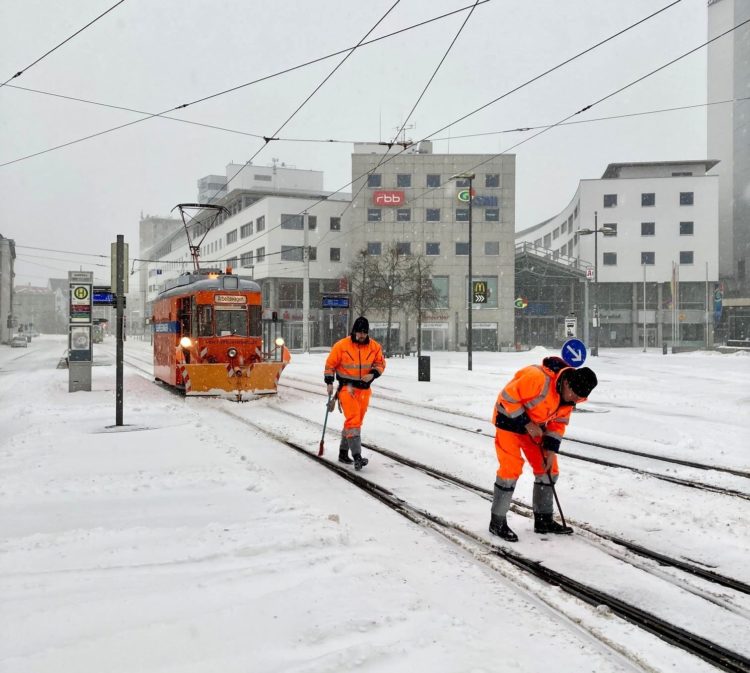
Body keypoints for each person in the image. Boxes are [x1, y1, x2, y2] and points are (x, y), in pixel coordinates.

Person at [489, 356, 598, 542]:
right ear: (566, 382)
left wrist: (550, 450)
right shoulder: (537, 378)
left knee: (549, 470)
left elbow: (558, 424)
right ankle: (497, 522)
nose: (573, 400)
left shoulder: (571, 398)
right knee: (510, 470)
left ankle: (543, 520)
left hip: (534, 429)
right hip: (507, 421)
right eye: (572, 395)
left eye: (578, 398)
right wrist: (528, 423)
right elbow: (507, 398)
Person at [324, 316, 386, 470]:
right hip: (347, 388)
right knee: (353, 420)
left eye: (364, 333)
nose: (361, 336)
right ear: (353, 332)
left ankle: (343, 453)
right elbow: (330, 365)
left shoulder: (374, 347)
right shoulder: (342, 346)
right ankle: (357, 456)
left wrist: (373, 374)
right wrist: (329, 382)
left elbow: (380, 363)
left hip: (364, 390)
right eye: (359, 333)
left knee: (356, 421)